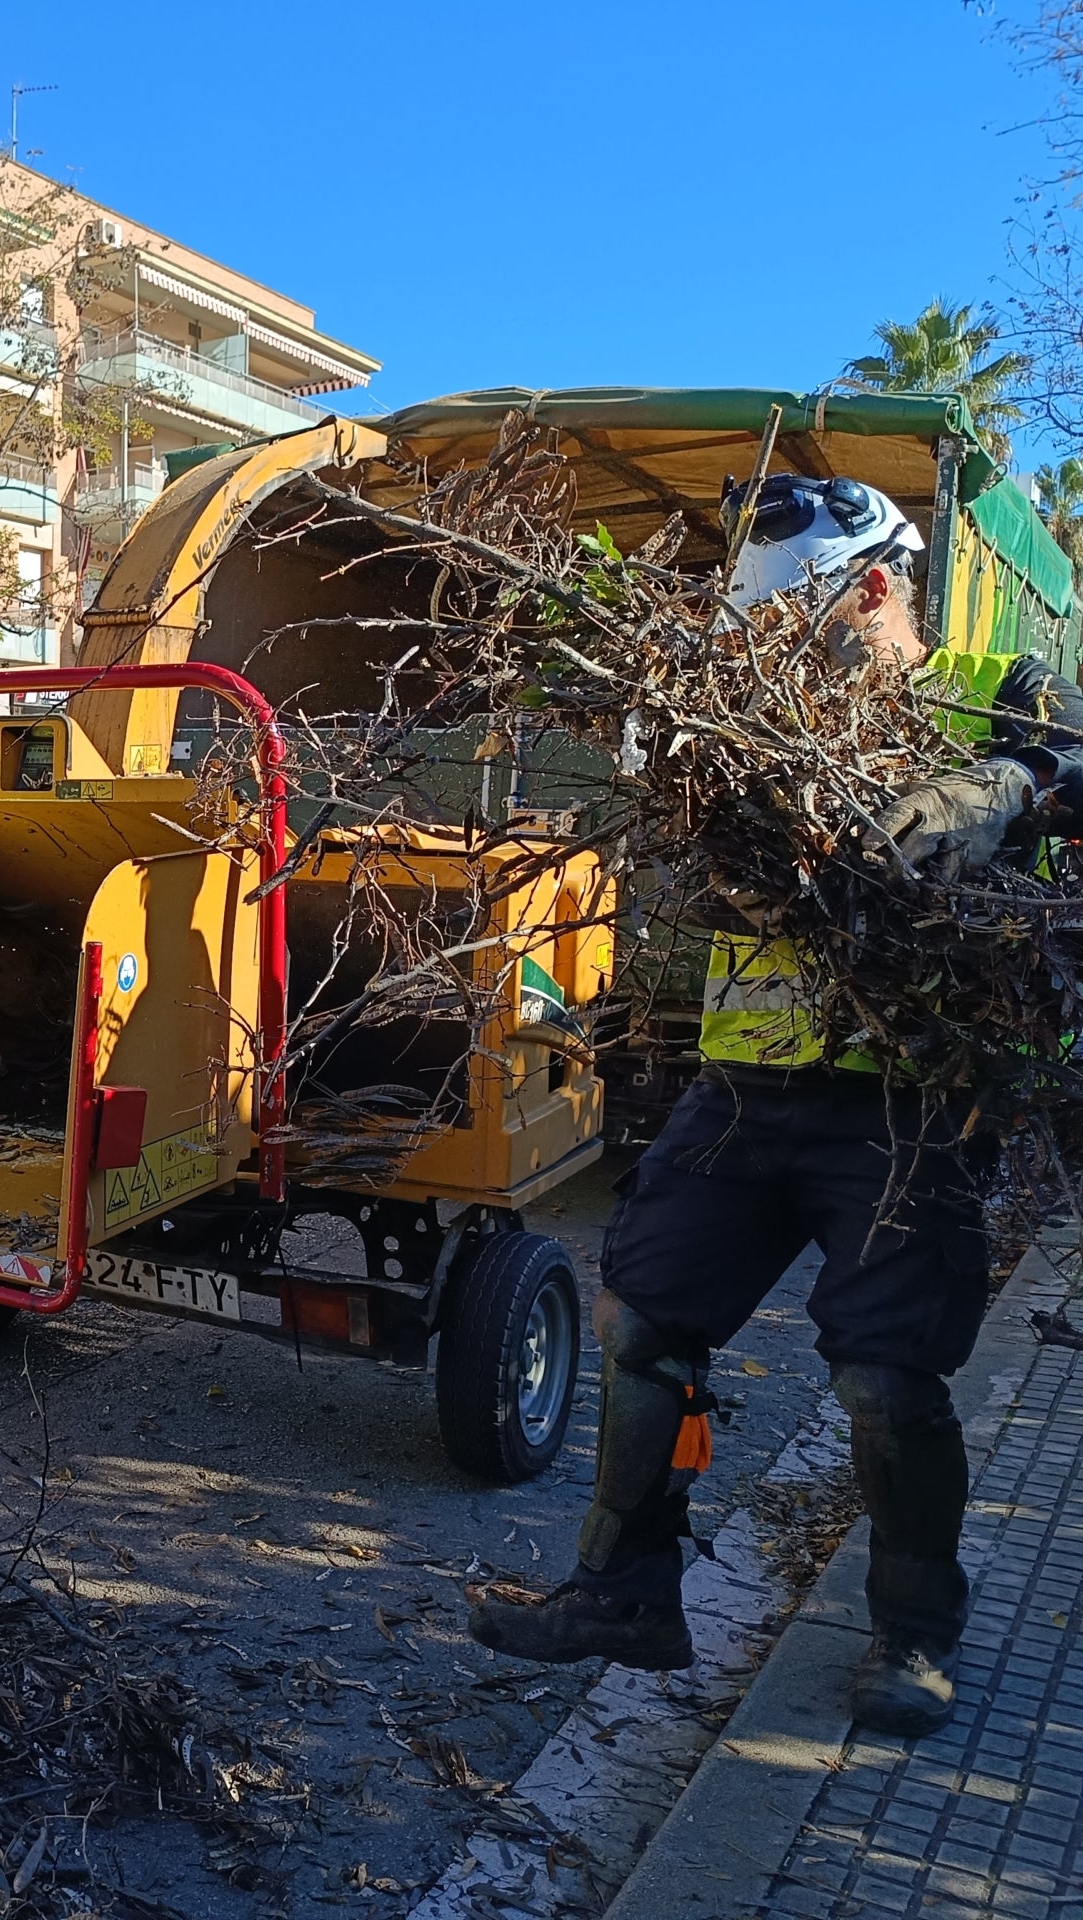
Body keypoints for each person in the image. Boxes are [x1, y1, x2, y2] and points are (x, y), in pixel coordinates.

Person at [468, 474, 1083, 1737]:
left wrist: (1006, 785)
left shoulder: (995, 683)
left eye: (794, 630)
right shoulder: (746, 717)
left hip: (909, 1108)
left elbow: (1076, 749)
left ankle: (915, 1633)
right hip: (748, 1088)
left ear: (869, 590)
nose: (772, 658)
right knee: (643, 1325)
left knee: (884, 1385)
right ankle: (623, 1592)